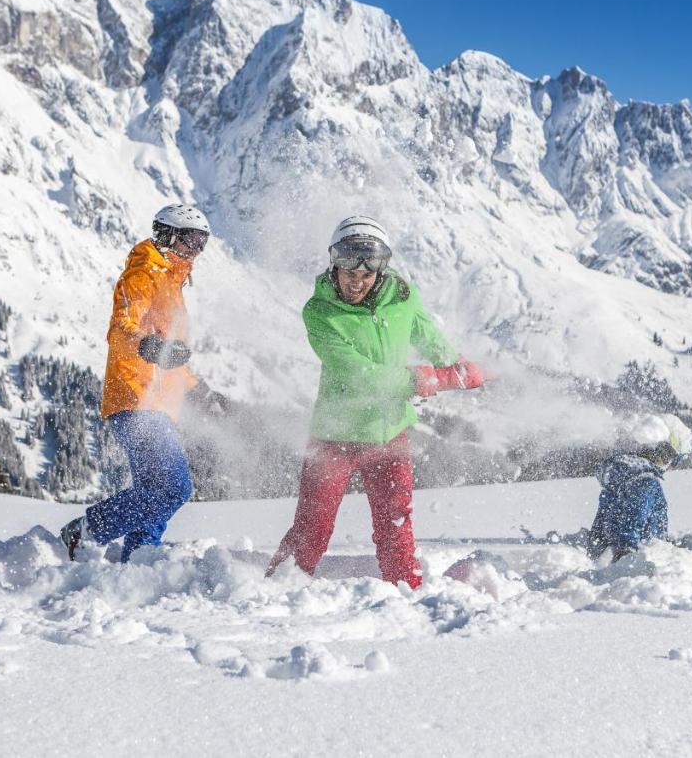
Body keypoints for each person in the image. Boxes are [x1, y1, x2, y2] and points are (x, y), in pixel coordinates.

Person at [265, 215, 488, 589]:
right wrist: (420, 379)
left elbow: (424, 332)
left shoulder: (401, 295)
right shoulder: (320, 313)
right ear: (334, 265)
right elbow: (358, 373)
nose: (356, 281)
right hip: (334, 437)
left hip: (390, 434)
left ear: (380, 272)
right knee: (313, 528)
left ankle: (409, 595)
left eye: (366, 275)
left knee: (396, 525)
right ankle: (273, 591)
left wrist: (455, 365)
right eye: (348, 272)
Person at [59, 203, 225, 562]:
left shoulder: (172, 283)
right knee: (173, 488)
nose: (194, 251)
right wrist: (147, 345)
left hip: (159, 405)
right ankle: (87, 529)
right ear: (165, 236)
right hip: (135, 400)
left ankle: (138, 562)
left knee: (152, 492)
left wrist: (200, 391)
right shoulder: (143, 275)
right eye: (188, 241)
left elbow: (172, 361)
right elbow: (121, 330)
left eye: (201, 243)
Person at [583, 414, 692, 562]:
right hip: (639, 557)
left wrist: (595, 549)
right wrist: (627, 551)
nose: (670, 467)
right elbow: (634, 516)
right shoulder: (646, 482)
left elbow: (601, 524)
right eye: (673, 460)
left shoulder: (620, 477)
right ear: (662, 451)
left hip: (614, 554)